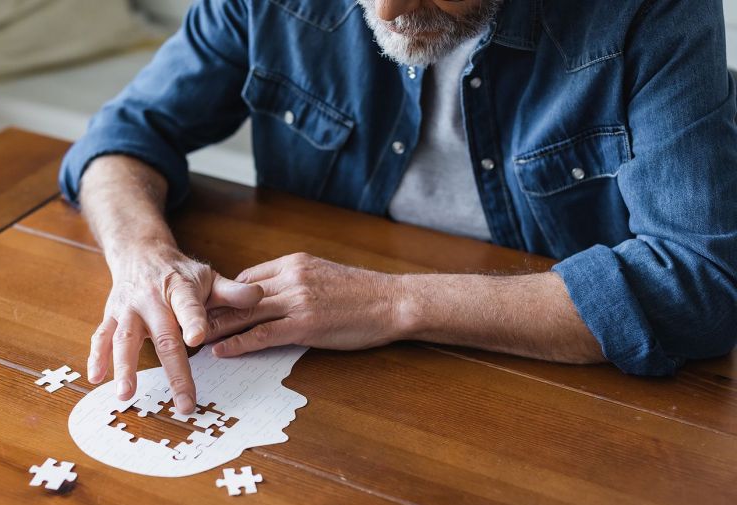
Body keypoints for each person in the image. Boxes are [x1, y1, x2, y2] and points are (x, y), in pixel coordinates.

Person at [59, 0, 737, 415]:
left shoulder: (654, 8)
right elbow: (121, 138)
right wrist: (140, 255)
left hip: (563, 400)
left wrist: (393, 302)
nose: (386, 11)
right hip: (319, 389)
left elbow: (700, 282)